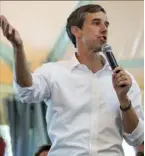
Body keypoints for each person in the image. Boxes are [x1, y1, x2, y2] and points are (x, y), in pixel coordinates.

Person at [0, 4, 144, 156]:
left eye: (106, 24)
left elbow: (137, 138)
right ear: (77, 31)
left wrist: (123, 99)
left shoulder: (124, 79)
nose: (104, 28)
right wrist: (18, 48)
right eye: (96, 23)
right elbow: (26, 91)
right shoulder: (54, 72)